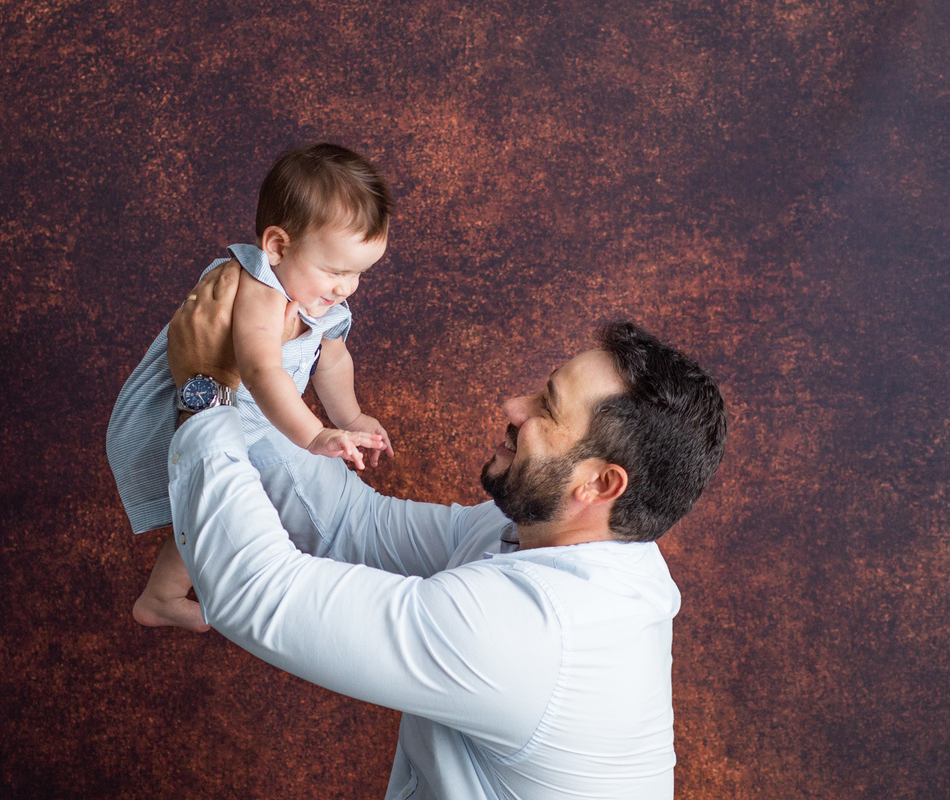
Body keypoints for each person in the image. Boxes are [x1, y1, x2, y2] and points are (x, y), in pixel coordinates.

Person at [160, 263, 728, 799]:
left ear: (601, 485)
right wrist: (254, 376)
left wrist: (205, 393)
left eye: (547, 409)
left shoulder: (536, 631)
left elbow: (255, 593)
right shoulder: (546, 533)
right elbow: (346, 523)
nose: (512, 405)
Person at [106, 143, 395, 629]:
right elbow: (261, 369)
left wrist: (349, 417)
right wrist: (315, 435)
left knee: (221, 510)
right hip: (172, 416)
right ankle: (160, 596)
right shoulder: (257, 286)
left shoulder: (318, 301)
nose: (346, 288)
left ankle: (163, 594)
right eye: (335, 271)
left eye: (359, 274)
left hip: (234, 422)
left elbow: (333, 360)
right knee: (208, 508)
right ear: (278, 247)